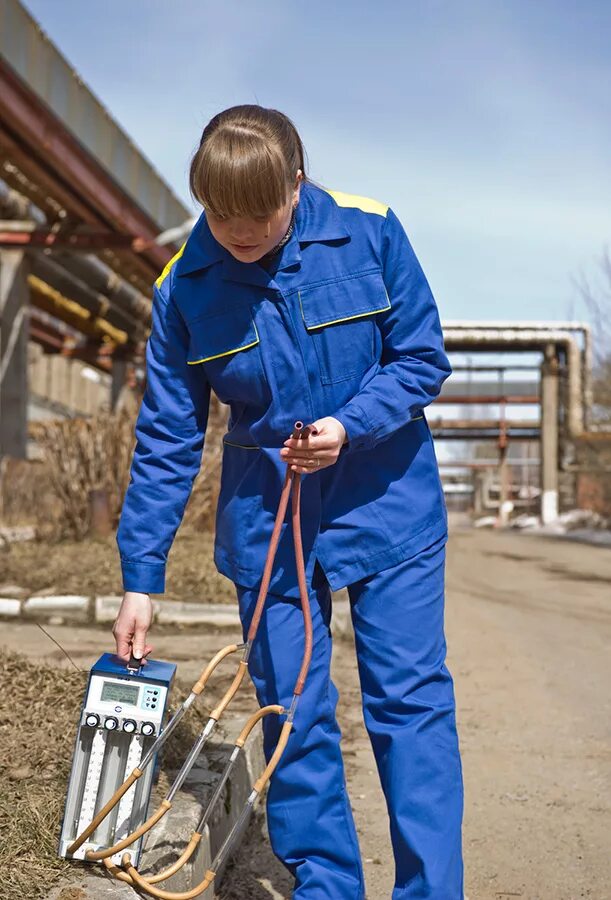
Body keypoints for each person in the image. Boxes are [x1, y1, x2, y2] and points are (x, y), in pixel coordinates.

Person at [112, 105, 464, 899]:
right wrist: (140, 576)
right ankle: (326, 886)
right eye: (219, 215)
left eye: (259, 217)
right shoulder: (182, 288)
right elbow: (167, 437)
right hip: (268, 523)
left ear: (296, 185)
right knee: (292, 716)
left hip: (388, 507)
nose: (238, 234)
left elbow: (420, 359)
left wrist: (351, 424)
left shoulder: (372, 233)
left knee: (408, 709)